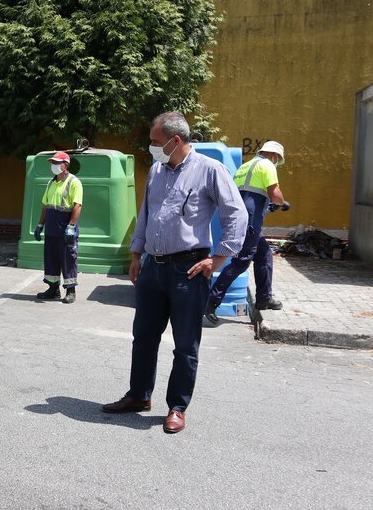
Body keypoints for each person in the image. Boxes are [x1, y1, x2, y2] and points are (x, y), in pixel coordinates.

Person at [102, 112, 247, 434]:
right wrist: (137, 253)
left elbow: (236, 213)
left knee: (185, 345)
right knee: (143, 338)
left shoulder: (210, 170)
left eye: (155, 141)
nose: (151, 147)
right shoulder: (156, 170)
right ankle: (139, 395)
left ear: (175, 140)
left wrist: (218, 260)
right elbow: (146, 213)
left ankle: (177, 407)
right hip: (153, 267)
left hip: (189, 270)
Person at [204, 141, 290, 324]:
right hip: (250, 220)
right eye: (277, 159)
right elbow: (274, 193)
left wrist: (269, 206)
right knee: (241, 262)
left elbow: (247, 196)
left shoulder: (244, 166)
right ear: (274, 156)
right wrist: (282, 202)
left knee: (264, 254)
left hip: (240, 217)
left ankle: (264, 298)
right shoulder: (267, 165)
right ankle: (211, 301)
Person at [33, 151, 82, 304]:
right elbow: (46, 206)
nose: (53, 166)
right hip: (52, 227)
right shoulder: (51, 183)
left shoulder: (74, 182)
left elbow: (77, 205)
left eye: (56, 163)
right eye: (52, 163)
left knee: (68, 259)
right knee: (51, 259)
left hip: (66, 227)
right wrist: (40, 224)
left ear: (65, 165)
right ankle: (53, 289)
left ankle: (71, 291)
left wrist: (71, 226)